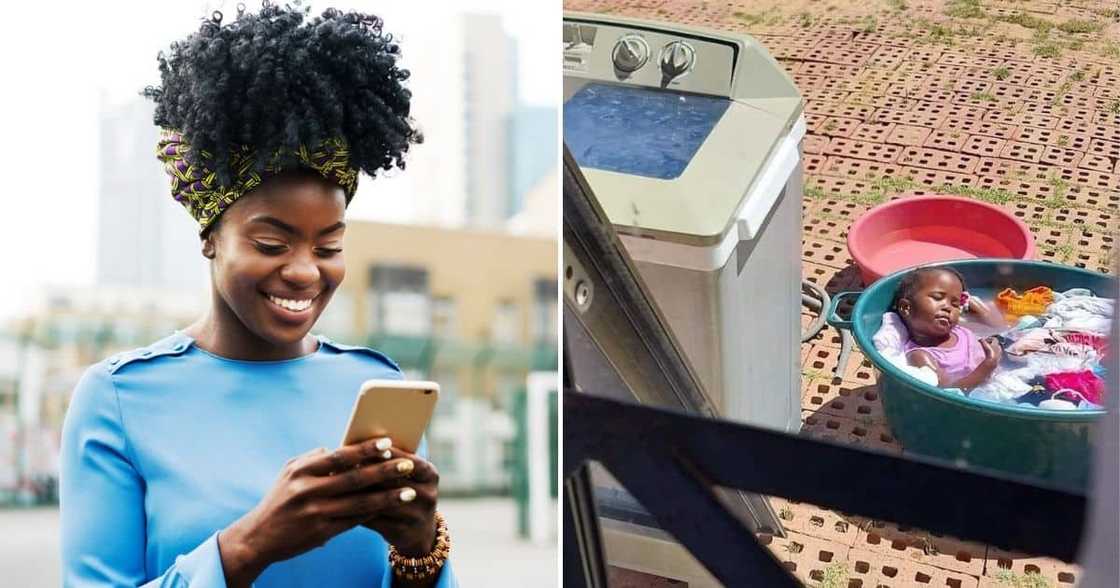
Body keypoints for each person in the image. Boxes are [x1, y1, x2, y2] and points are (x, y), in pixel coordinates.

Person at [60, 4, 455, 587]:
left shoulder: (373, 384)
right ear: (210, 238)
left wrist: (420, 546)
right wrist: (253, 543)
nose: (304, 271)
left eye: (328, 246)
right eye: (272, 242)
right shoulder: (117, 400)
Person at [894, 267, 1004, 391]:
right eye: (937, 297)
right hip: (984, 396)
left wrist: (973, 304)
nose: (948, 307)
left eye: (955, 304)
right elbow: (949, 392)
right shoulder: (920, 355)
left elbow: (999, 327)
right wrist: (988, 365)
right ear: (906, 307)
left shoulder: (958, 330)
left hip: (1007, 376)